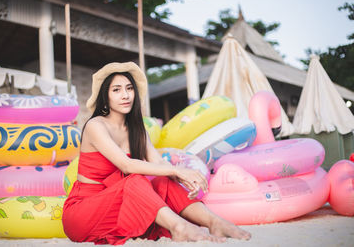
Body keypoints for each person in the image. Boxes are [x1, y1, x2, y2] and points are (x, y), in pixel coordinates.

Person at [62, 62, 251, 245]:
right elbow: (126, 165)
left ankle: (214, 222)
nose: (125, 95)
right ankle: (179, 227)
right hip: (84, 212)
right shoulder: (96, 125)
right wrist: (178, 171)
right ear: (106, 96)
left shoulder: (137, 129)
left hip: (121, 205)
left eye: (129, 88)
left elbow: (159, 163)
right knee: (136, 179)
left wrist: (179, 176)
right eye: (116, 90)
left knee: (164, 179)